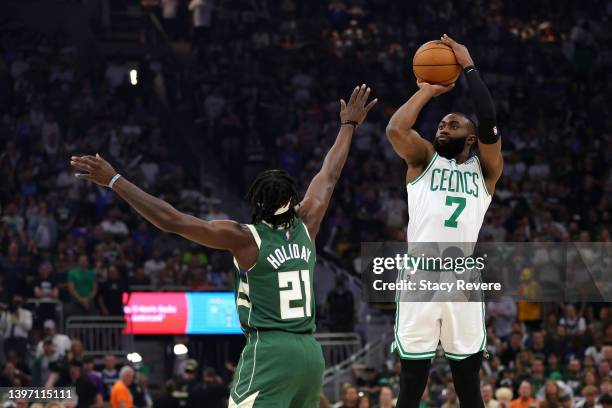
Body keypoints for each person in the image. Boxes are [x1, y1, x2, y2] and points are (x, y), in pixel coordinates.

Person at [70, 85, 377, 407]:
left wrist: (116, 181)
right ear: (290, 199)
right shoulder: (307, 223)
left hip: (270, 350)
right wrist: (348, 126)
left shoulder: (244, 237)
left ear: (256, 203)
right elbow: (330, 174)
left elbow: (171, 220)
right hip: (311, 353)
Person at [386, 35, 502, 408]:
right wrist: (427, 93)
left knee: (467, 379)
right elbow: (395, 131)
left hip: (461, 276)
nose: (443, 126)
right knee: (411, 380)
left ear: (471, 138)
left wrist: (468, 67)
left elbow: (488, 119)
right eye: (440, 124)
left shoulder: (485, 170)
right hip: (419, 273)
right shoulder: (422, 159)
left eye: (452, 124)